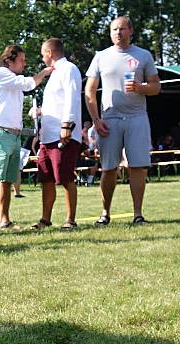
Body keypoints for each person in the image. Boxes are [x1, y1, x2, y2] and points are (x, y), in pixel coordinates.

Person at [85, 15, 161, 225]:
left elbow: (156, 87)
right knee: (109, 168)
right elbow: (89, 91)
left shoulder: (143, 55)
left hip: (137, 117)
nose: (117, 33)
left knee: (137, 167)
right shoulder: (101, 56)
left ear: (130, 31)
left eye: (121, 29)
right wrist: (95, 120)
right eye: (114, 30)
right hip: (109, 119)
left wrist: (141, 87)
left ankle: (138, 214)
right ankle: (104, 213)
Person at [0, 45, 51, 230]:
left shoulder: (12, 80)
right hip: (1, 133)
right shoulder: (1, 73)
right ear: (9, 61)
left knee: (7, 179)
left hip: (14, 134)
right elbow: (29, 84)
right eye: (21, 60)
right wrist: (44, 72)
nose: (24, 63)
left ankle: (4, 220)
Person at [31, 38, 82, 230]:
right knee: (46, 178)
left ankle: (70, 219)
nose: (42, 57)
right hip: (48, 135)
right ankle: (45, 219)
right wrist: (40, 111)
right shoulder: (54, 74)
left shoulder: (69, 69)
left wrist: (67, 125)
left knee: (66, 177)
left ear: (50, 53)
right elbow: (57, 102)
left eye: (43, 53)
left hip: (63, 134)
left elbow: (71, 98)